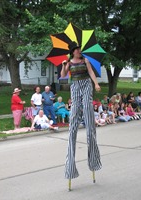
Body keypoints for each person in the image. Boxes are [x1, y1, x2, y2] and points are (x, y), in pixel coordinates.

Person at [61, 41, 102, 188]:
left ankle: (93, 161)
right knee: (74, 117)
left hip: (86, 85)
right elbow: (63, 75)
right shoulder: (69, 62)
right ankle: (70, 167)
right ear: (72, 52)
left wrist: (96, 83)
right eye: (77, 49)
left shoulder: (86, 60)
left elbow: (91, 72)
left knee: (88, 114)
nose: (79, 51)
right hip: (75, 87)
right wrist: (64, 65)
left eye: (79, 49)